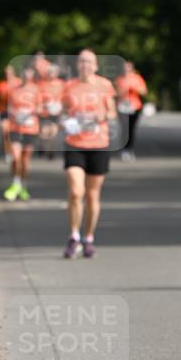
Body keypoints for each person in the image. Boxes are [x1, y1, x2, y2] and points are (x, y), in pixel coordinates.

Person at [60, 49, 116, 259]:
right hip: (75, 143)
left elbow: (112, 112)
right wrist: (66, 122)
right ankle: (74, 236)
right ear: (77, 65)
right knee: (76, 191)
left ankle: (88, 238)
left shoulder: (104, 85)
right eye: (81, 61)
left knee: (92, 195)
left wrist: (99, 115)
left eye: (89, 62)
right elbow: (63, 112)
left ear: (96, 66)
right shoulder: (69, 86)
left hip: (98, 143)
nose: (85, 65)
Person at [3, 65, 40, 202]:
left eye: (28, 72)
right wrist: (16, 114)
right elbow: (9, 107)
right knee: (16, 157)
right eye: (24, 72)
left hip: (31, 128)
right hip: (16, 128)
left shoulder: (36, 90)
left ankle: (23, 186)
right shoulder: (14, 90)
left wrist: (29, 113)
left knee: (25, 160)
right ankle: (15, 184)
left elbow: (40, 107)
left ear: (31, 75)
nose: (26, 75)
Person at [115, 61, 147, 161]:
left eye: (128, 67)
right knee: (125, 129)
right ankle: (124, 149)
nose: (126, 69)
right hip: (122, 107)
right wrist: (124, 90)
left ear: (132, 68)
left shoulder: (137, 78)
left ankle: (129, 149)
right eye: (125, 67)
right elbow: (115, 93)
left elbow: (144, 92)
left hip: (134, 106)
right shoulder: (119, 79)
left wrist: (135, 88)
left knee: (131, 129)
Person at [37, 62, 65, 160]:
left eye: (53, 72)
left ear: (57, 73)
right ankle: (43, 146)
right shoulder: (41, 84)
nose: (51, 74)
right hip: (44, 112)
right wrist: (42, 105)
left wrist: (61, 106)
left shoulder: (61, 84)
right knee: (44, 131)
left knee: (53, 132)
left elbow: (64, 96)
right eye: (49, 72)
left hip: (56, 111)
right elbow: (37, 97)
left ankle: (50, 151)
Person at [0, 65, 21, 162]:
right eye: (6, 73)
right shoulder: (0, 85)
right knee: (5, 132)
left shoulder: (19, 82)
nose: (7, 74)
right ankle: (7, 153)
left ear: (13, 72)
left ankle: (17, 151)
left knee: (15, 133)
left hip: (16, 112)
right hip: (4, 111)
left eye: (9, 72)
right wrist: (2, 97)